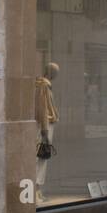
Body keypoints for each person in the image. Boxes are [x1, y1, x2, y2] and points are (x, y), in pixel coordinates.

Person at [34, 62, 59, 204]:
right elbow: (43, 109)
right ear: (50, 73)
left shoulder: (43, 85)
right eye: (55, 72)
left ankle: (37, 190)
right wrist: (44, 130)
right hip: (45, 125)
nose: (56, 75)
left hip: (45, 124)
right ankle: (36, 191)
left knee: (41, 157)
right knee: (41, 157)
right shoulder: (43, 86)